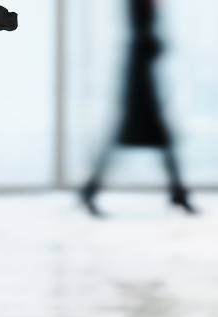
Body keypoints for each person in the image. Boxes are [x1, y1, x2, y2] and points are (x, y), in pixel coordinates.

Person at [80, 0, 196, 216]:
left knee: (154, 139)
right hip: (140, 81)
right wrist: (155, 46)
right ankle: (178, 194)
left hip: (142, 77)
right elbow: (142, 31)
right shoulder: (139, 11)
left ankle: (178, 193)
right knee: (148, 138)